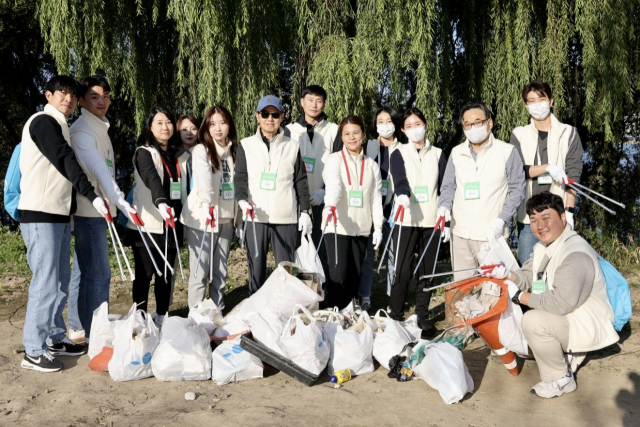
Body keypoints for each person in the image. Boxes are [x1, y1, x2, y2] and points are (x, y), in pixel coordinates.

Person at [483, 192, 618, 398]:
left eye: (546, 218)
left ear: (563, 218)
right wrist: (506, 274)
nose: (539, 226)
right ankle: (557, 352)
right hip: (567, 315)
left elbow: (559, 303)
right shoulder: (543, 247)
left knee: (533, 321)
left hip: (584, 322)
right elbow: (528, 275)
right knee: (522, 317)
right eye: (534, 220)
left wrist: (520, 296)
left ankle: (560, 378)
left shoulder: (576, 253)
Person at [19, 75, 108, 372]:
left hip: (57, 216)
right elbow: (64, 159)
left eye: (71, 95)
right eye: (62, 94)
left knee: (59, 281)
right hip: (39, 215)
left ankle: (55, 337)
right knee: (44, 282)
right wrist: (91, 194)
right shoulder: (43, 123)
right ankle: (32, 350)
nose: (67, 99)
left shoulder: (62, 125)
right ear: (48, 95)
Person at [67, 76, 137, 343]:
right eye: (95, 97)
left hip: (99, 210)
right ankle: (96, 333)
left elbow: (104, 172)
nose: (102, 101)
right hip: (89, 211)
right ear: (82, 101)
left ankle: (77, 325)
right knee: (98, 271)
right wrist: (121, 202)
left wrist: (115, 202)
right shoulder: (83, 131)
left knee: (83, 270)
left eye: (105, 96)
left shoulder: (100, 128)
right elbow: (98, 171)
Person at [439, 102, 526, 281]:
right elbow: (448, 187)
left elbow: (517, 190)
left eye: (478, 122)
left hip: (492, 234)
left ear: (489, 123)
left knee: (493, 291)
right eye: (467, 124)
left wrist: (501, 220)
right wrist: (444, 207)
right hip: (460, 233)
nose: (473, 128)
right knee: (463, 290)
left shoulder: (507, 151)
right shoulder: (456, 152)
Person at [235, 95, 312, 293]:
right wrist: (242, 200)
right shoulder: (246, 145)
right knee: (256, 269)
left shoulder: (292, 146)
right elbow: (240, 178)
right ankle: (256, 310)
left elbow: (300, 181)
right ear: (257, 117)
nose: (270, 119)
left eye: (275, 114)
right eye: (265, 114)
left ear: (282, 117)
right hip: (256, 217)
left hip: (285, 217)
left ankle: (284, 310)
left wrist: (305, 211)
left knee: (286, 270)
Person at [126, 107, 189, 327]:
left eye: (169, 122)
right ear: (150, 128)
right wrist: (162, 203)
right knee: (144, 275)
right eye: (159, 123)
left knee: (166, 274)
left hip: (172, 225)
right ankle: (140, 317)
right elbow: (152, 179)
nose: (165, 127)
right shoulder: (144, 152)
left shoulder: (181, 155)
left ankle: (162, 314)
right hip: (148, 225)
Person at [387, 107, 448, 334]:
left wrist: (446, 219)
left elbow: (445, 187)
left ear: (426, 124)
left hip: (432, 220)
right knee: (402, 270)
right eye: (409, 126)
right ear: (403, 130)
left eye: (418, 124)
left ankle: (422, 315)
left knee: (427, 271)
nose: (414, 129)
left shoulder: (439, 154)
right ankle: (395, 315)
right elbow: (399, 179)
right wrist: (402, 194)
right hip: (406, 218)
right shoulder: (398, 152)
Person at [510, 81, 583, 265]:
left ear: (551, 101)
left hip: (558, 214)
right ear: (526, 106)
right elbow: (517, 171)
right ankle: (531, 295)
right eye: (531, 101)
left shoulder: (569, 133)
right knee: (530, 268)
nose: (537, 104)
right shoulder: (519, 134)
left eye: (541, 99)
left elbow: (573, 174)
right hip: (529, 217)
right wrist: (547, 168)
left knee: (558, 268)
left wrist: (569, 211)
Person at [321, 116, 384, 309]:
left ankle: (348, 317)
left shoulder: (372, 165)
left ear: (363, 135)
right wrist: (330, 204)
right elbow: (334, 185)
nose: (352, 137)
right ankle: (335, 317)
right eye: (347, 134)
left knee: (354, 276)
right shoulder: (334, 160)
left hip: (362, 229)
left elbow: (376, 197)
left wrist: (379, 226)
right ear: (342, 137)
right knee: (337, 275)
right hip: (337, 226)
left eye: (356, 132)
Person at [180, 106, 238, 310]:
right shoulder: (201, 150)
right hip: (203, 218)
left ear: (229, 124)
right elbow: (204, 181)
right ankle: (195, 317)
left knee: (220, 270)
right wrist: (205, 203)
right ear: (207, 127)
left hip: (226, 218)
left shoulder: (235, 150)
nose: (218, 128)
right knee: (200, 271)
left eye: (222, 122)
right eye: (213, 124)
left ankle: (217, 311)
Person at [286, 85, 339, 276]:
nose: (314, 105)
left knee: (320, 249)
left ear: (324, 103)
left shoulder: (334, 130)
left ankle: (321, 295)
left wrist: (325, 190)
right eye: (310, 100)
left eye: (319, 101)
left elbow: (340, 164)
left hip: (322, 200)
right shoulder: (289, 131)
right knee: (296, 249)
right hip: (294, 201)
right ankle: (297, 295)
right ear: (302, 102)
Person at [358, 107, 401, 311]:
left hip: (393, 211)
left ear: (395, 123)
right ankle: (364, 296)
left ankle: (392, 298)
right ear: (375, 124)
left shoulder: (403, 149)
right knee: (367, 257)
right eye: (380, 121)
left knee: (394, 256)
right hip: (369, 208)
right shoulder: (367, 147)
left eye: (388, 120)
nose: (385, 125)